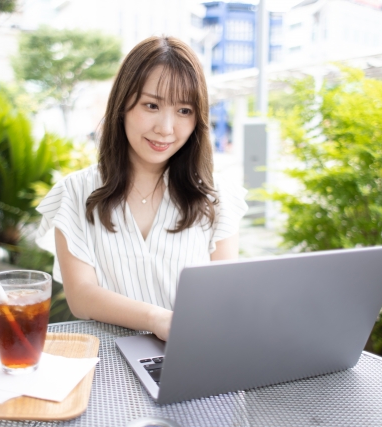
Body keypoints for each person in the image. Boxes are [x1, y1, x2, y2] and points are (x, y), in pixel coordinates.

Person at [35, 36, 248, 341]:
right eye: (152, 105)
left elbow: (225, 297)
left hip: (190, 358)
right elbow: (80, 296)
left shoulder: (217, 196)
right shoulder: (76, 192)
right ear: (123, 104)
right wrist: (158, 319)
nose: (166, 127)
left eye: (184, 111)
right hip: (108, 366)